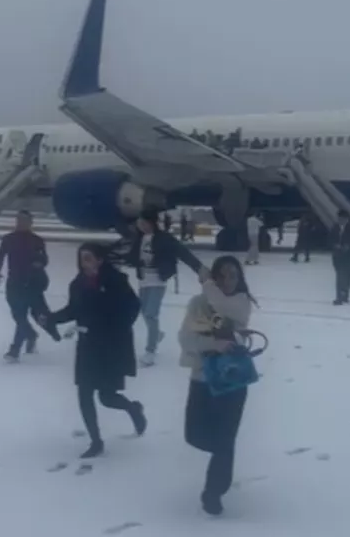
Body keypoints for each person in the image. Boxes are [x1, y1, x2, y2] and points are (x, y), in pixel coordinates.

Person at [42, 243, 148, 458]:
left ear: (100, 259)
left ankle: (133, 409)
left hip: (111, 345)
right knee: (84, 392)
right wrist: (52, 318)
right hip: (88, 345)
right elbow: (73, 309)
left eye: (89, 258)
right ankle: (96, 441)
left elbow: (133, 306)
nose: (85, 263)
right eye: (82, 258)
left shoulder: (116, 281)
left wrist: (118, 326)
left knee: (107, 397)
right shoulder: (78, 284)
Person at [179, 256, 256, 516]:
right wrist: (214, 343)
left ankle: (213, 491)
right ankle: (224, 453)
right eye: (220, 275)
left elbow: (222, 306)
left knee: (224, 439)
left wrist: (208, 283)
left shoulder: (240, 303)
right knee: (194, 435)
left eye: (232, 275)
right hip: (202, 378)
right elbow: (186, 339)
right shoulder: (198, 304)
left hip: (233, 381)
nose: (227, 280)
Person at [125, 208, 209, 367]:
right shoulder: (139, 238)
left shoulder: (164, 238)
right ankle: (156, 334)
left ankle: (151, 350)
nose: (141, 226)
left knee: (151, 313)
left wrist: (199, 268)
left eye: (143, 223)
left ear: (151, 223)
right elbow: (132, 256)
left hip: (158, 280)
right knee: (143, 311)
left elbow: (183, 253)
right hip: (143, 280)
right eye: (139, 223)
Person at [0, 210, 56, 362]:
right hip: (13, 281)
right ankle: (31, 335)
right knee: (17, 314)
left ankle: (14, 350)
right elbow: (0, 256)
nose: (21, 223)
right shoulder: (8, 239)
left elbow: (44, 259)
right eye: (19, 220)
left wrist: (39, 263)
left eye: (25, 221)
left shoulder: (37, 241)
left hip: (31, 283)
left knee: (21, 313)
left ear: (30, 223)